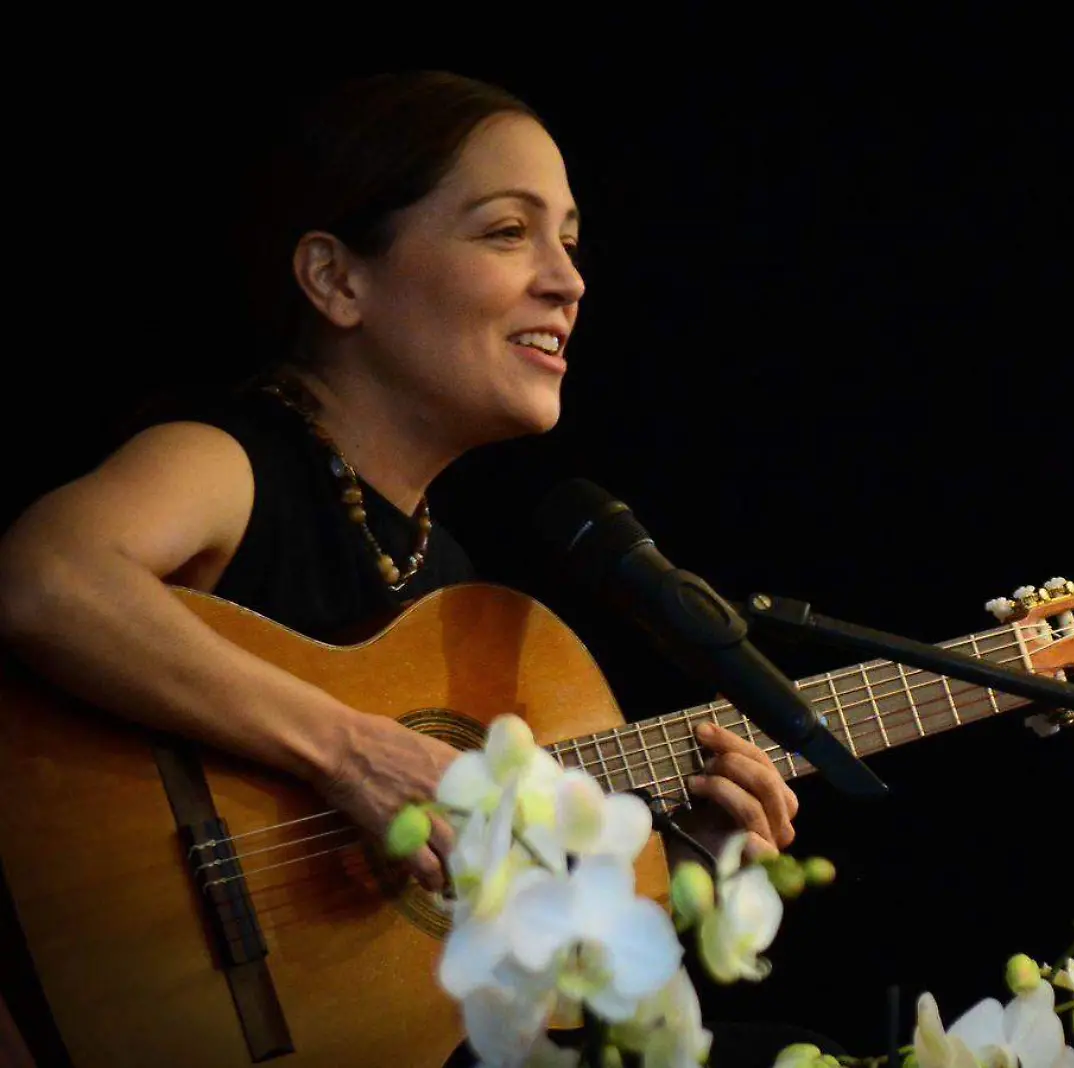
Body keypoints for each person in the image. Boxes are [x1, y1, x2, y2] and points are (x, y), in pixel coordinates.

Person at [0, 70, 832, 1065]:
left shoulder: (451, 590)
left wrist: (675, 859)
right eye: (508, 231)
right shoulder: (231, 463)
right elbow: (45, 579)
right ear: (337, 280)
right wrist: (349, 752)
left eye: (570, 240)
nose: (568, 281)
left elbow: (475, 990)